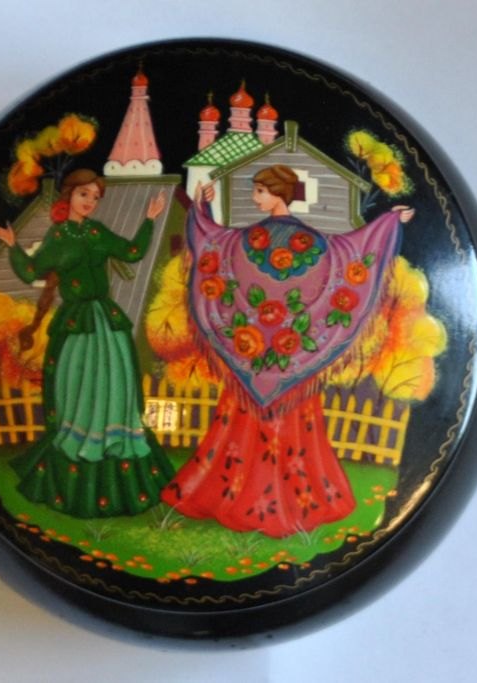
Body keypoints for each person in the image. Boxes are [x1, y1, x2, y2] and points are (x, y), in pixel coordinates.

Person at [161, 164, 413, 537]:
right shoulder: (308, 243)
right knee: (290, 425)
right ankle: (285, 498)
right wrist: (203, 209)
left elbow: (215, 247)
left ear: (278, 193)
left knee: (249, 422)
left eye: (260, 191)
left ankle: (250, 496)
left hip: (252, 358)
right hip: (292, 361)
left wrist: (388, 222)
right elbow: (350, 255)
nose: (255, 198)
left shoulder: (252, 241)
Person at [0, 169, 174, 517]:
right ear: (69, 195)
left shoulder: (97, 232)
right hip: (77, 322)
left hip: (106, 320)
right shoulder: (58, 236)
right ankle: (82, 445)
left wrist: (149, 220)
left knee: (114, 384)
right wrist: (13, 246)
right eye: (83, 194)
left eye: (95, 197)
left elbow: (132, 251)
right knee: (78, 384)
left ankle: (114, 443)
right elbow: (31, 272)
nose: (89, 202)